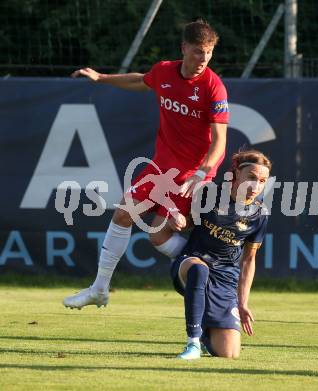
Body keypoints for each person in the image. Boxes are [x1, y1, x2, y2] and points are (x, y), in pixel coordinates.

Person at [63, 19, 229, 309]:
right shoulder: (164, 71)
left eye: (209, 52)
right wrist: (101, 78)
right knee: (124, 214)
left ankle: (212, 272)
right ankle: (99, 289)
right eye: (197, 52)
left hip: (192, 174)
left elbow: (220, 141)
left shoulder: (214, 87)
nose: (203, 59)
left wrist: (202, 173)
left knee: (158, 235)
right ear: (184, 48)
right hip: (161, 168)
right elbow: (140, 80)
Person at [170, 149, 272, 359]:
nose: (256, 186)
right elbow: (189, 222)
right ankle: (193, 344)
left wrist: (243, 303)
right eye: (251, 178)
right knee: (199, 269)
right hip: (191, 263)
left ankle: (208, 337)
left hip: (225, 278)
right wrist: (178, 221)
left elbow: (248, 260)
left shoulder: (259, 214)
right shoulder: (210, 193)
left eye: (262, 181)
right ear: (235, 173)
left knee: (229, 354)